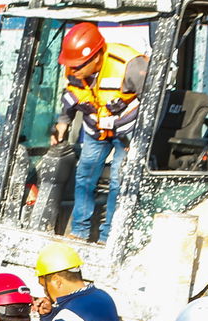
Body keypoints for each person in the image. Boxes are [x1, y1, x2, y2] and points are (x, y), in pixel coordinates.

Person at [52, 23, 148, 242]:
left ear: (95, 58)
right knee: (84, 177)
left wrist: (142, 137)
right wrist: (63, 123)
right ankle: (80, 231)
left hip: (127, 130)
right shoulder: (74, 67)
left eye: (77, 67)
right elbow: (71, 97)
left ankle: (109, 235)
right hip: (96, 129)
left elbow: (153, 102)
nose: (73, 71)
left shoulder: (130, 65)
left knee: (119, 180)